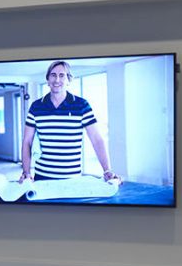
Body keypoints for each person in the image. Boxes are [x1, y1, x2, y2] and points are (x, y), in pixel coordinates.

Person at [19, 60, 118, 189]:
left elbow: (96, 139)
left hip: (72, 179)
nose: (57, 80)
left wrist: (107, 170)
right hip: (42, 178)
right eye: (53, 75)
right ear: (48, 80)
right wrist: (26, 172)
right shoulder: (36, 107)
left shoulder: (82, 105)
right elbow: (27, 141)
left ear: (68, 80)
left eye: (62, 75)